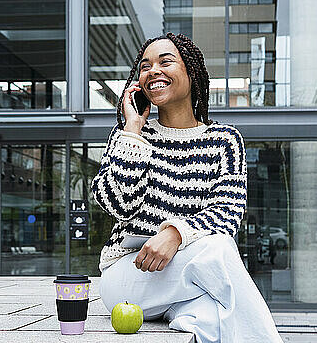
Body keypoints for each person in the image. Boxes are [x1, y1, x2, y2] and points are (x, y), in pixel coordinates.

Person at [91, 33, 283, 342]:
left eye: (165, 61)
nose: (153, 70)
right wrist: (132, 131)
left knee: (212, 318)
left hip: (186, 280)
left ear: (191, 72)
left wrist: (174, 233)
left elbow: (228, 213)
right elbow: (117, 204)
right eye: (145, 66)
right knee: (218, 249)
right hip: (131, 274)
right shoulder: (130, 136)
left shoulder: (225, 141)